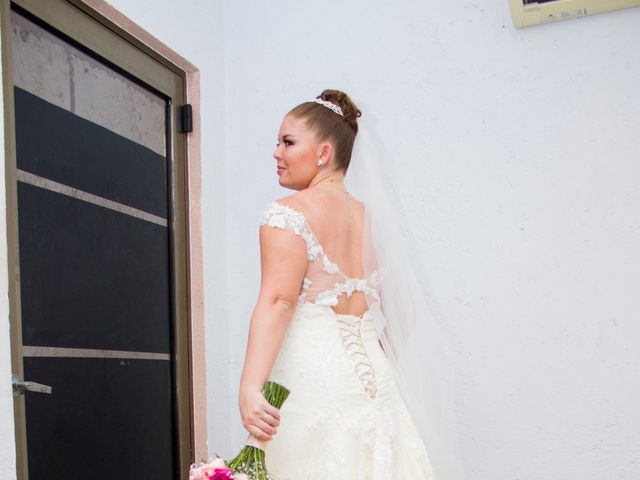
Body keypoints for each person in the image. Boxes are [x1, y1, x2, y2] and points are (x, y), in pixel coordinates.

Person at [237, 89, 456, 479]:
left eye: (287, 142)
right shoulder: (372, 220)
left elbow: (278, 302)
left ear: (323, 153)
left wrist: (251, 388)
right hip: (377, 387)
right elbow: (403, 312)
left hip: (314, 385)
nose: (276, 152)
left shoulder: (286, 214)